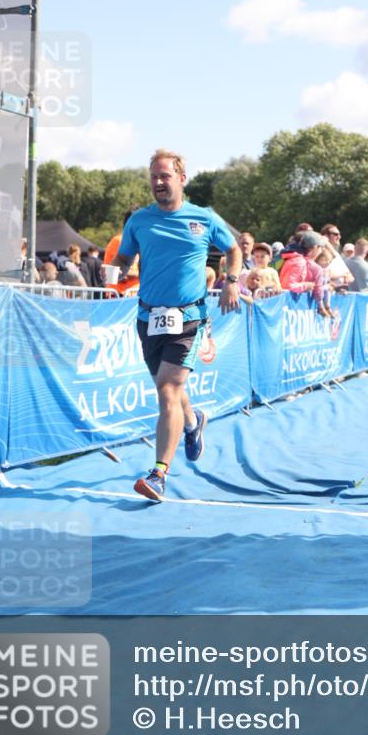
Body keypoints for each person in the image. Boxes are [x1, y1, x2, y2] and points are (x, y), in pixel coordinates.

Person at [106, 149, 241, 503]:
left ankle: (159, 474)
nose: (158, 182)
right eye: (153, 176)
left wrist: (232, 281)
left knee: (167, 388)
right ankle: (194, 422)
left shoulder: (203, 217)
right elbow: (125, 256)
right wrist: (117, 267)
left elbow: (234, 249)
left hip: (189, 317)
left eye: (165, 176)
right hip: (148, 317)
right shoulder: (138, 220)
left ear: (182, 179)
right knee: (172, 390)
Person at [279, 230, 330, 315]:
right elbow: (287, 286)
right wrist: (306, 286)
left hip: (285, 306)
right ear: (314, 247)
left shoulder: (289, 258)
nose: (322, 250)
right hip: (288, 308)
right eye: (321, 247)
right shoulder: (300, 262)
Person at [105, 209, 140, 296]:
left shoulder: (135, 241)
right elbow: (118, 272)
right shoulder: (120, 240)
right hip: (120, 294)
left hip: (131, 294)